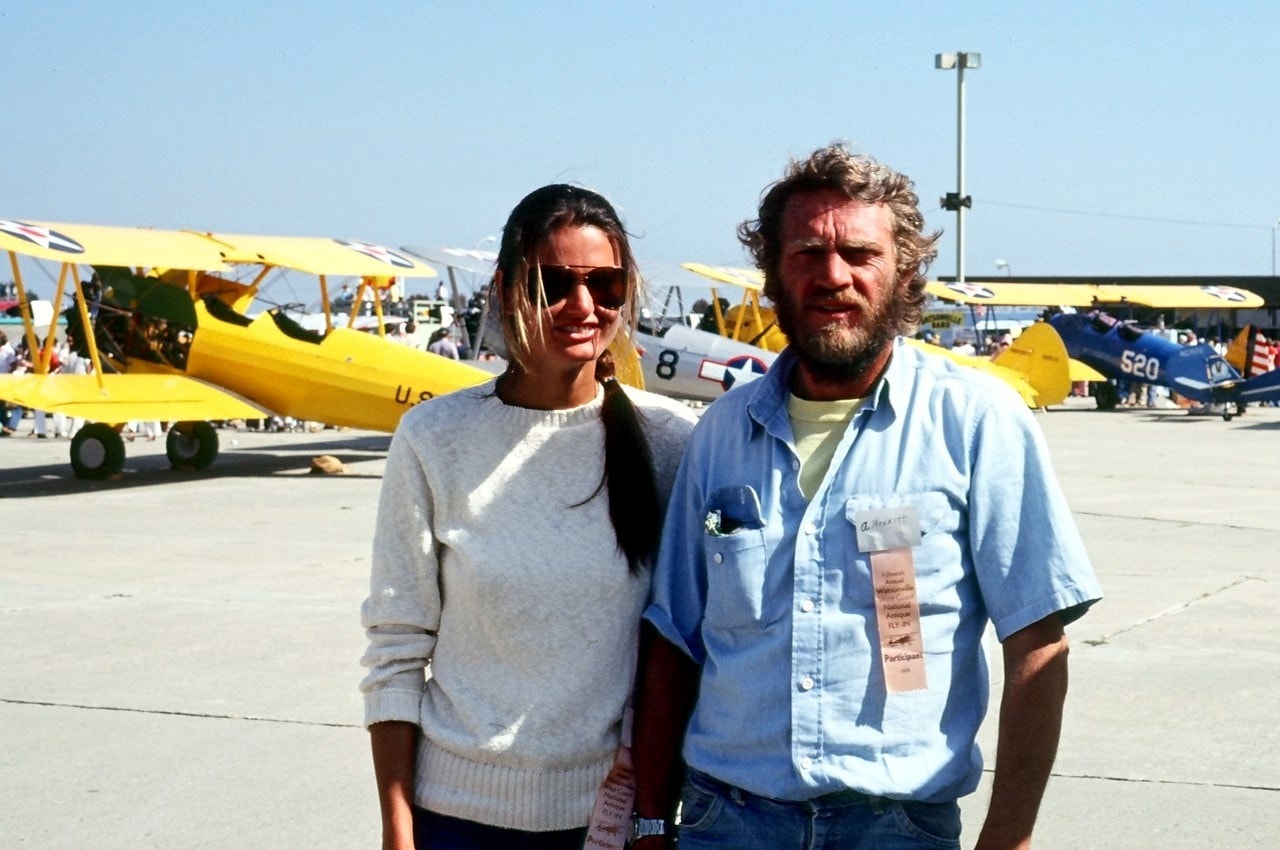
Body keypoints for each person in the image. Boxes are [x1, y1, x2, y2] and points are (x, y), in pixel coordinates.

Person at [632, 145, 1102, 850]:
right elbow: (675, 636)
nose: (833, 276)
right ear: (773, 274)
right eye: (806, 253)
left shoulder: (976, 422)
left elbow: (1038, 643)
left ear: (904, 272)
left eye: (859, 253)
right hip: (725, 822)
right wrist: (647, 819)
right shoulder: (721, 433)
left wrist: (1008, 838)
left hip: (896, 826)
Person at [360, 183, 698, 850]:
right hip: (454, 820)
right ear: (506, 287)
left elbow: (685, 648)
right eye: (554, 284)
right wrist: (397, 827)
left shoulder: (672, 442)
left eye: (605, 285)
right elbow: (395, 649)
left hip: (609, 824)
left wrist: (656, 815)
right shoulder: (433, 438)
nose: (583, 306)